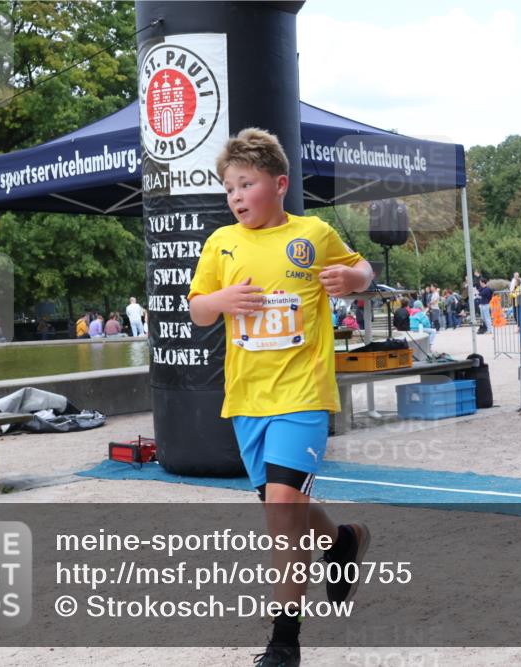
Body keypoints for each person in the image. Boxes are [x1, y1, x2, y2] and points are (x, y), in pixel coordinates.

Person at [186, 128, 374, 666]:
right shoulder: (221, 244)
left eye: (247, 184)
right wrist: (220, 300)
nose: (237, 196)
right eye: (229, 189)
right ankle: (340, 543)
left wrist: (351, 278)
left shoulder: (312, 234)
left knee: (282, 512)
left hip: (303, 393)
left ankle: (284, 641)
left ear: (280, 184)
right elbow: (198, 308)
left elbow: (363, 268)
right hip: (247, 401)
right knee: (280, 507)